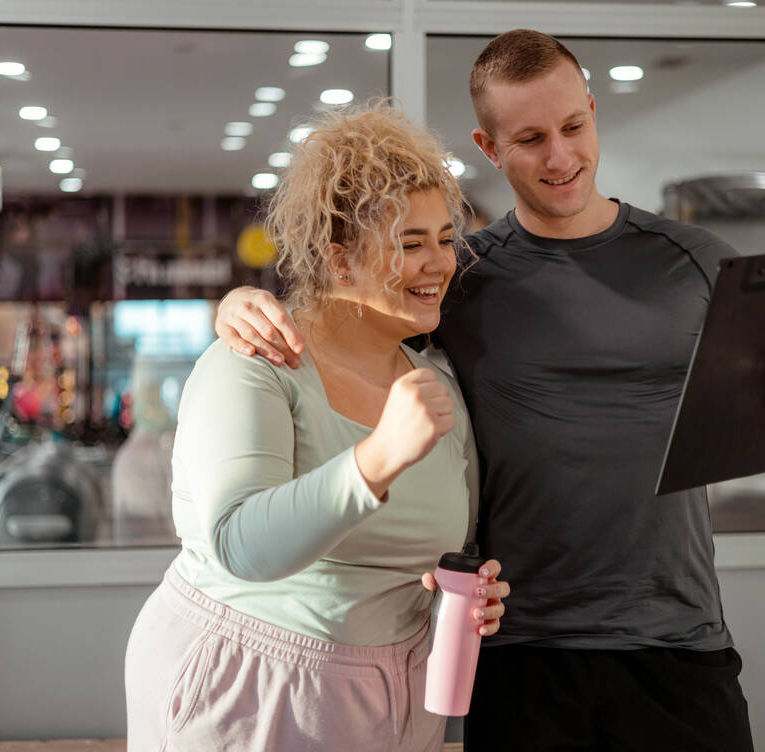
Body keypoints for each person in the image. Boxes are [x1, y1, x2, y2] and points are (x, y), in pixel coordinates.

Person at [213, 30, 765, 752]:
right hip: (519, 656)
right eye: (530, 138)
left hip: (677, 644)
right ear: (490, 148)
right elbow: (347, 330)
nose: (560, 157)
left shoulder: (700, 263)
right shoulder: (459, 279)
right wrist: (240, 302)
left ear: (590, 108)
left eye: (573, 126)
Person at [124, 102, 510, 752]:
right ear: (339, 261)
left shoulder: (437, 384)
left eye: (445, 239)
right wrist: (376, 459)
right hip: (246, 689)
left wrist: (465, 592)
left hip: (396, 700)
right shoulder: (252, 360)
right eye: (409, 244)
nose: (439, 264)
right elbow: (242, 544)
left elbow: (443, 546)